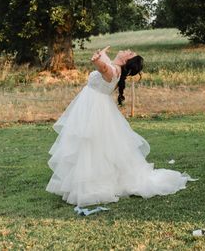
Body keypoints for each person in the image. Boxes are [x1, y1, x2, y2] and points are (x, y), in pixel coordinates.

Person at [46, 47, 191, 207]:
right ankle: (83, 183)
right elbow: (107, 64)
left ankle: (92, 187)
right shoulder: (116, 68)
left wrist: (97, 61)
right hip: (93, 107)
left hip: (94, 110)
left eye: (130, 53)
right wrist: (102, 54)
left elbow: (104, 69)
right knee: (92, 146)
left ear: (126, 61)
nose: (127, 50)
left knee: (92, 146)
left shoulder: (114, 70)